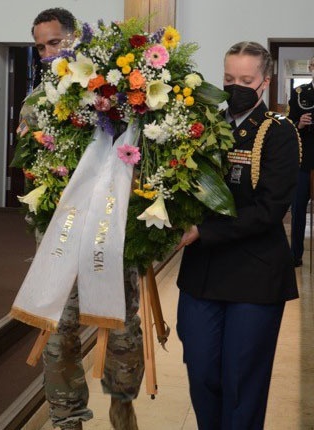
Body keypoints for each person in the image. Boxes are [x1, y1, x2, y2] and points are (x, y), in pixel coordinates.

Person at [19, 8, 144, 430]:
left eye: (55, 42)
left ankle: (122, 401)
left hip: (109, 239)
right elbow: (30, 172)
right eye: (40, 47)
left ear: (76, 40)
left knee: (121, 330)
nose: (48, 53)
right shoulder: (36, 105)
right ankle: (65, 416)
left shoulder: (113, 92)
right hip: (60, 239)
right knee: (58, 335)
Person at [175, 41, 300, 429]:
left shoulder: (278, 133)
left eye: (246, 79)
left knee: (242, 379)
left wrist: (203, 230)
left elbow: (268, 211)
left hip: (255, 275)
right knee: (201, 372)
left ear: (264, 82)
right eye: (229, 78)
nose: (236, 87)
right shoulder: (202, 127)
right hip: (203, 275)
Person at [288, 57, 314, 267]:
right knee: (298, 209)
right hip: (304, 160)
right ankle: (295, 254)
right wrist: (300, 124)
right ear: (310, 68)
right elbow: (289, 129)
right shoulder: (300, 94)